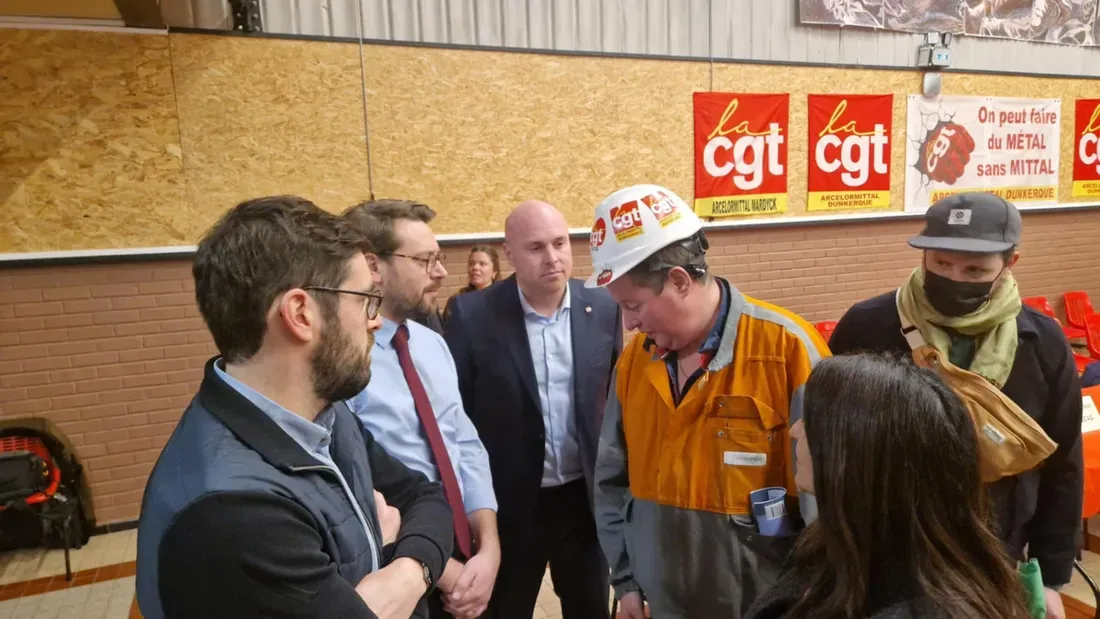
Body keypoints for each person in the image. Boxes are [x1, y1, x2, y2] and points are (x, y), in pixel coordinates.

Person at [135, 196, 454, 619]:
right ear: (301, 313)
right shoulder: (231, 513)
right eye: (364, 300)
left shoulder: (326, 416)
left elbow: (428, 496)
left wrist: (407, 573)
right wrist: (388, 543)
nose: (374, 320)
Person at [828, 192, 1083, 619]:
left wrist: (1052, 577)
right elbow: (832, 443)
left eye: (975, 270)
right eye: (941, 264)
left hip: (996, 549)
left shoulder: (1043, 344)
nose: (956, 279)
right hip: (886, 552)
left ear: (1010, 263)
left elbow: (1063, 462)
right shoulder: (867, 325)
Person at [587, 184, 829, 619]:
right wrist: (625, 583)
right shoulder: (633, 364)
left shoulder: (789, 351)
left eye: (633, 304)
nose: (628, 322)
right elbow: (611, 480)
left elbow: (828, 505)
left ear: (679, 280)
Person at [746, 353, 1033, 619]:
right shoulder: (833, 540)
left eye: (813, 423)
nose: (795, 430)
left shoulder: (924, 608)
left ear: (861, 455)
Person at [444, 199, 622, 619]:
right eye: (536, 247)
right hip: (511, 507)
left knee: (590, 608)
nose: (553, 258)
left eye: (560, 243)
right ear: (509, 254)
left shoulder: (603, 307)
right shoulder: (473, 316)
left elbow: (615, 405)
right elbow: (457, 416)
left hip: (583, 503)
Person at [342, 199, 500, 619]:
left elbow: (463, 442)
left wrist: (489, 545)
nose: (443, 273)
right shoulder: (344, 363)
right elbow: (356, 485)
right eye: (426, 260)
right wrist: (442, 571)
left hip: (467, 561)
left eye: (439, 258)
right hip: (400, 570)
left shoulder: (431, 344)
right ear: (374, 266)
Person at [443, 245, 502, 322]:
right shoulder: (457, 300)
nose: (475, 267)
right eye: (471, 263)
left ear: (494, 271)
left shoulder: (503, 300)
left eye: (482, 264)